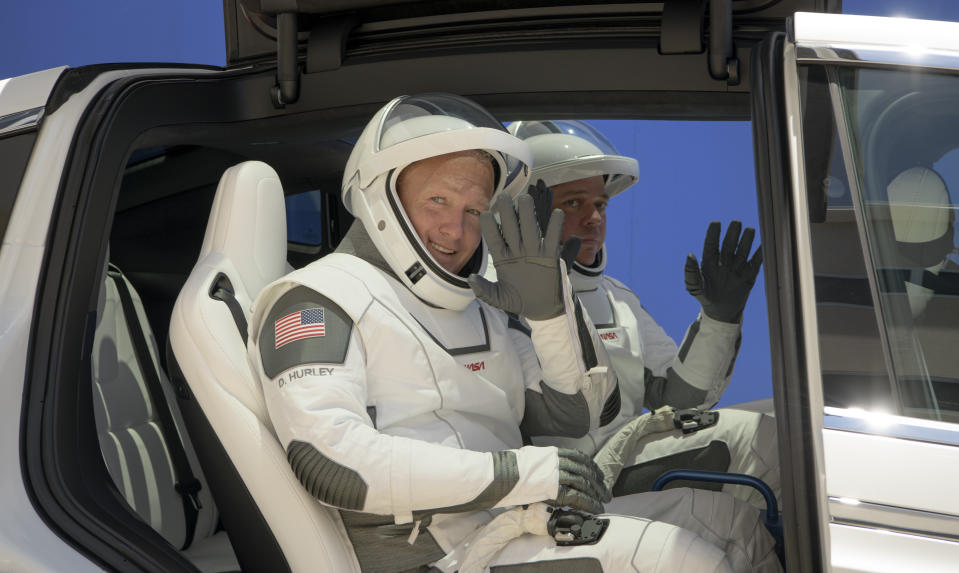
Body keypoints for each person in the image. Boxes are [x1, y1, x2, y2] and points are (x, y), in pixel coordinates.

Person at [248, 94, 776, 572]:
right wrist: (515, 473)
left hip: (514, 519)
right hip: (441, 554)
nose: (457, 231)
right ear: (379, 195)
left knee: (736, 526)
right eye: (438, 202)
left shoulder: (481, 305)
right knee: (687, 561)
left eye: (474, 210)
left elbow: (575, 412)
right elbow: (333, 462)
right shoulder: (315, 299)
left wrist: (548, 314)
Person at [509, 120, 780, 510]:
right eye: (573, 203)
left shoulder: (618, 298)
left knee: (787, 428)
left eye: (600, 204)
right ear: (528, 213)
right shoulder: (497, 298)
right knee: (762, 442)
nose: (594, 218)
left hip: (628, 457)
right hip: (567, 483)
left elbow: (681, 398)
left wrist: (720, 319)